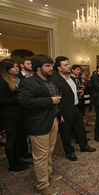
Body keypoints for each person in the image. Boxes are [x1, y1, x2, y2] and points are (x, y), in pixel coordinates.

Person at [18, 54, 62, 195]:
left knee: (49, 151)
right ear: (38, 68)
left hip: (52, 120)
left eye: (51, 65)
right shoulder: (28, 82)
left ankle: (48, 174)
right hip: (38, 124)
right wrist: (50, 101)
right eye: (47, 66)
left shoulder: (50, 81)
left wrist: (58, 115)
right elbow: (24, 102)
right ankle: (42, 185)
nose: (51, 68)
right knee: (40, 156)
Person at [52, 56, 96, 161]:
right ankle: (69, 152)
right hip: (65, 109)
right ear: (59, 68)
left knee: (80, 128)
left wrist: (79, 93)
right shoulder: (55, 80)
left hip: (76, 107)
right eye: (66, 65)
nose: (68, 66)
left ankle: (84, 146)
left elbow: (71, 92)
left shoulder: (71, 78)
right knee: (66, 132)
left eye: (68, 64)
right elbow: (56, 97)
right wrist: (59, 114)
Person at [0, 59, 30, 172]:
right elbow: (2, 100)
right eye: (13, 67)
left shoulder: (17, 79)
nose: (16, 68)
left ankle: (19, 160)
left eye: (17, 66)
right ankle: (12, 164)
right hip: (10, 115)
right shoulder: (3, 81)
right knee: (12, 139)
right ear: (6, 69)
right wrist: (20, 99)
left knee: (20, 138)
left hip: (20, 114)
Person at [16, 58, 33, 159]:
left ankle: (33, 150)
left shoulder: (34, 76)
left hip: (33, 109)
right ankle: (23, 152)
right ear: (22, 65)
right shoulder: (17, 77)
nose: (31, 65)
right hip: (22, 109)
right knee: (22, 134)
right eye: (28, 64)